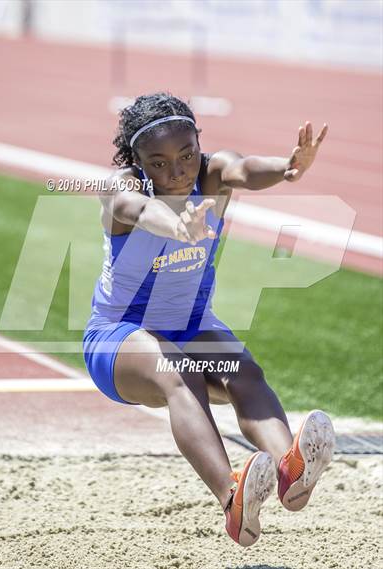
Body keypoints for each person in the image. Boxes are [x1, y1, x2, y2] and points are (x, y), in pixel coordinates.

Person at [83, 92, 335, 547]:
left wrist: (288, 167)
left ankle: (291, 472)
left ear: (199, 145)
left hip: (191, 324)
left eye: (185, 155)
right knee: (178, 372)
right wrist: (177, 224)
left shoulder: (212, 174)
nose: (176, 171)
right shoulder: (123, 187)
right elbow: (137, 209)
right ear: (136, 161)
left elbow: (245, 168)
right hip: (119, 337)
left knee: (245, 373)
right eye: (157, 163)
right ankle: (232, 495)